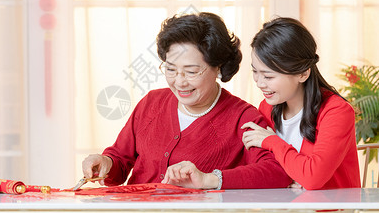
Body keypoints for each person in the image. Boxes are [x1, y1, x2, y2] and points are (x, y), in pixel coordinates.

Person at [82, 12, 291, 190]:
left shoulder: (243, 118)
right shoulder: (151, 103)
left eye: (191, 71)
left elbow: (276, 171)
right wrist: (106, 163)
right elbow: (120, 159)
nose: (179, 82)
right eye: (171, 69)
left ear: (218, 67)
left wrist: (210, 179)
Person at [241, 17, 360, 190]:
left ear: (303, 74)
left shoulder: (336, 111)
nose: (259, 82)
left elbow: (312, 178)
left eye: (268, 76)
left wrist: (272, 141)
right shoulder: (267, 107)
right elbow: (264, 170)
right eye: (255, 72)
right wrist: (291, 175)